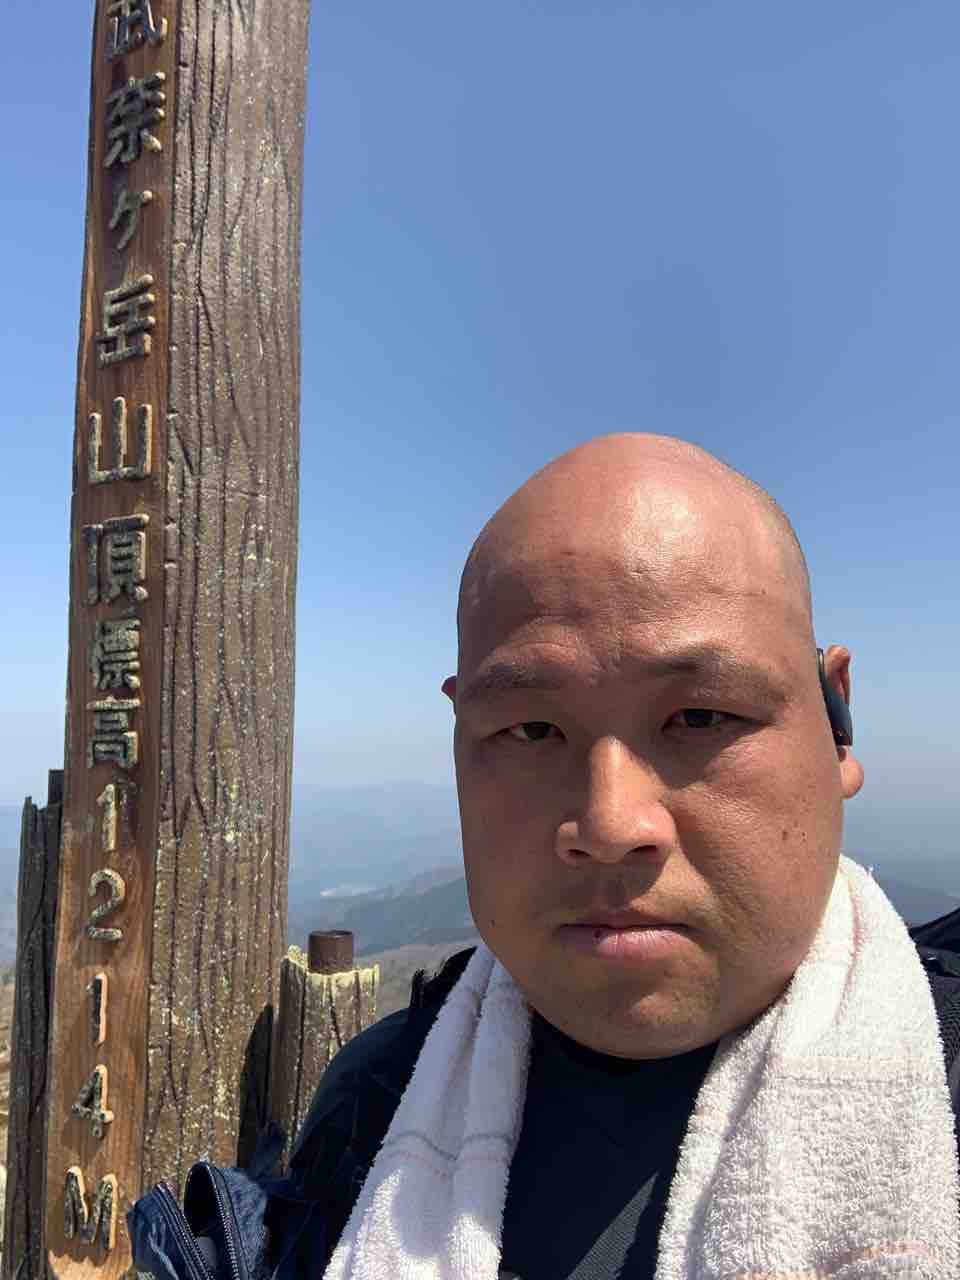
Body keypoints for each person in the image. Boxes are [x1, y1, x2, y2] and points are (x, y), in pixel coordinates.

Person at [289, 433, 959, 1279]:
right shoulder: (368, 1110)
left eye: (702, 717)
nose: (608, 823)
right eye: (531, 728)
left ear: (836, 724)